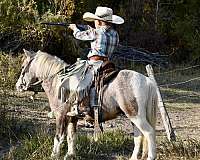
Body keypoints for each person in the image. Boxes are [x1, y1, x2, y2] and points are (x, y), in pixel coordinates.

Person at [67, 6, 124, 116]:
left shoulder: (96, 32)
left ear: (99, 21)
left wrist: (74, 29)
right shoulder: (115, 34)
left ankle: (81, 107)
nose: (94, 22)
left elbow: (79, 35)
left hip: (94, 63)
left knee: (76, 78)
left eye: (95, 20)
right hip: (107, 63)